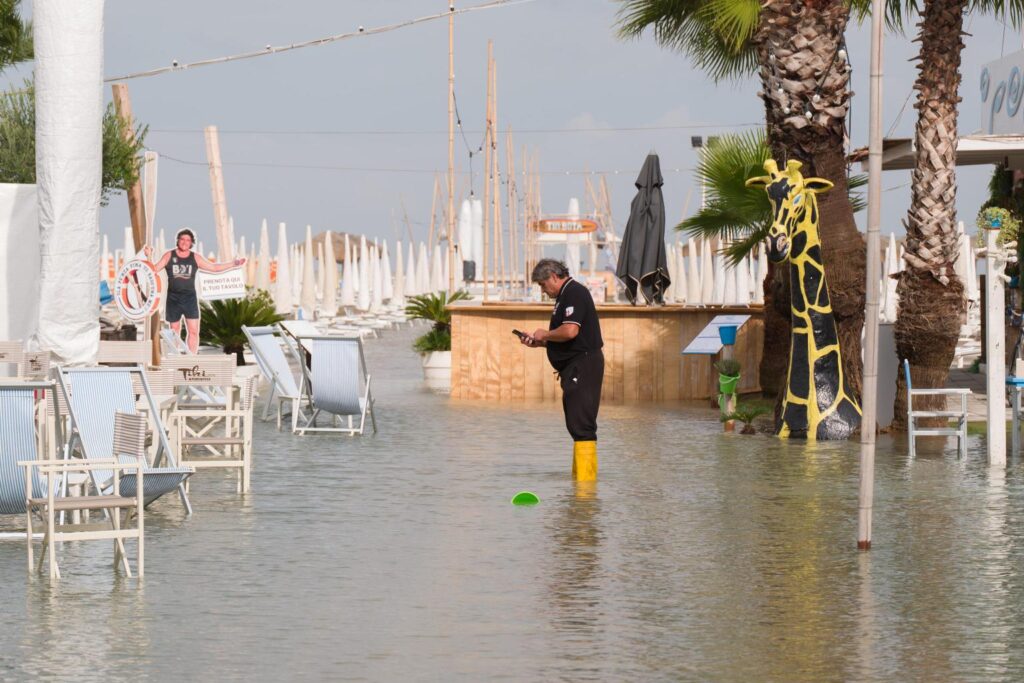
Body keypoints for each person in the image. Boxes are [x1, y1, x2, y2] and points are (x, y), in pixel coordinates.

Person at [520, 258, 604, 481]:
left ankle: (585, 491)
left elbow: (569, 332)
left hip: (583, 365)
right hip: (574, 365)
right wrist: (541, 343)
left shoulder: (574, 292)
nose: (543, 290)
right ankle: (579, 487)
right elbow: (568, 339)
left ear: (554, 277)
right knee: (576, 423)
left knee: (582, 424)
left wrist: (544, 334)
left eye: (542, 284)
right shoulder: (565, 295)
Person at [145, 229, 245, 354]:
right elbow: (153, 269)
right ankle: (174, 357)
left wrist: (233, 264)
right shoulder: (169, 255)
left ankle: (191, 357)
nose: (184, 242)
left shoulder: (195, 257)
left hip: (189, 299)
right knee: (174, 330)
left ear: (191, 243)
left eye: (188, 240)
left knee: (193, 331)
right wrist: (149, 256)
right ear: (178, 241)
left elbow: (214, 268)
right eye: (182, 239)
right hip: (173, 299)